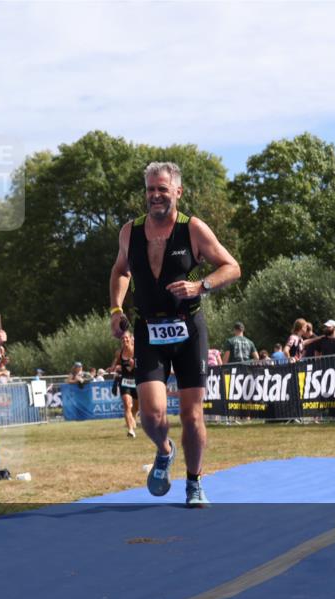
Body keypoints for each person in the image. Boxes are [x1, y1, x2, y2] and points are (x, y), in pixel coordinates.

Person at [108, 161, 241, 506]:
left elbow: (232, 266)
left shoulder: (192, 229)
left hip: (188, 331)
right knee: (151, 417)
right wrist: (116, 309)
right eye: (150, 189)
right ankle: (164, 451)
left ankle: (194, 482)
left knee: (191, 415)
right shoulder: (130, 232)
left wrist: (202, 285)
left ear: (177, 192)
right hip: (148, 329)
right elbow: (121, 271)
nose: (155, 196)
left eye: (162, 189)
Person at [106, 331, 139, 438]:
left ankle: (133, 417)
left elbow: (145, 365)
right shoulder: (119, 352)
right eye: (123, 338)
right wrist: (112, 368)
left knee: (136, 406)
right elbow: (116, 363)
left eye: (126, 338)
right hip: (125, 381)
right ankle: (130, 430)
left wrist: (135, 365)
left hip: (137, 380)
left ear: (131, 339)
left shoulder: (137, 351)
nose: (125, 340)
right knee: (127, 405)